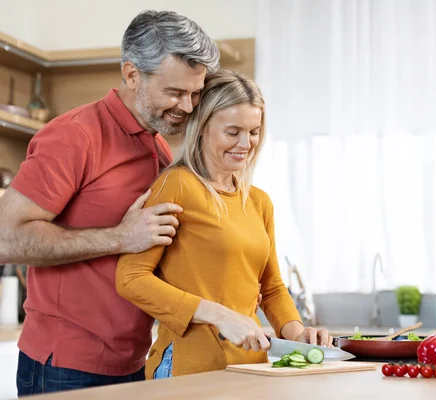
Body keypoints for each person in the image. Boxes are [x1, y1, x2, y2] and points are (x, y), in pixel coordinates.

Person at [0, 10, 220, 396]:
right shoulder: (75, 136)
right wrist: (119, 238)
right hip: (65, 365)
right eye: (174, 92)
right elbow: (5, 239)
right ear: (132, 74)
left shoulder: (158, 144)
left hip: (132, 360)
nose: (187, 107)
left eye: (195, 93)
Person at [115, 69, 332, 379]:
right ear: (203, 128)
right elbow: (130, 277)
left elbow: (270, 289)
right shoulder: (176, 186)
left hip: (250, 368)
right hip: (187, 366)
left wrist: (299, 335)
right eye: (233, 132)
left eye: (254, 131)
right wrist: (218, 315)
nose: (246, 143)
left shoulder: (258, 201)